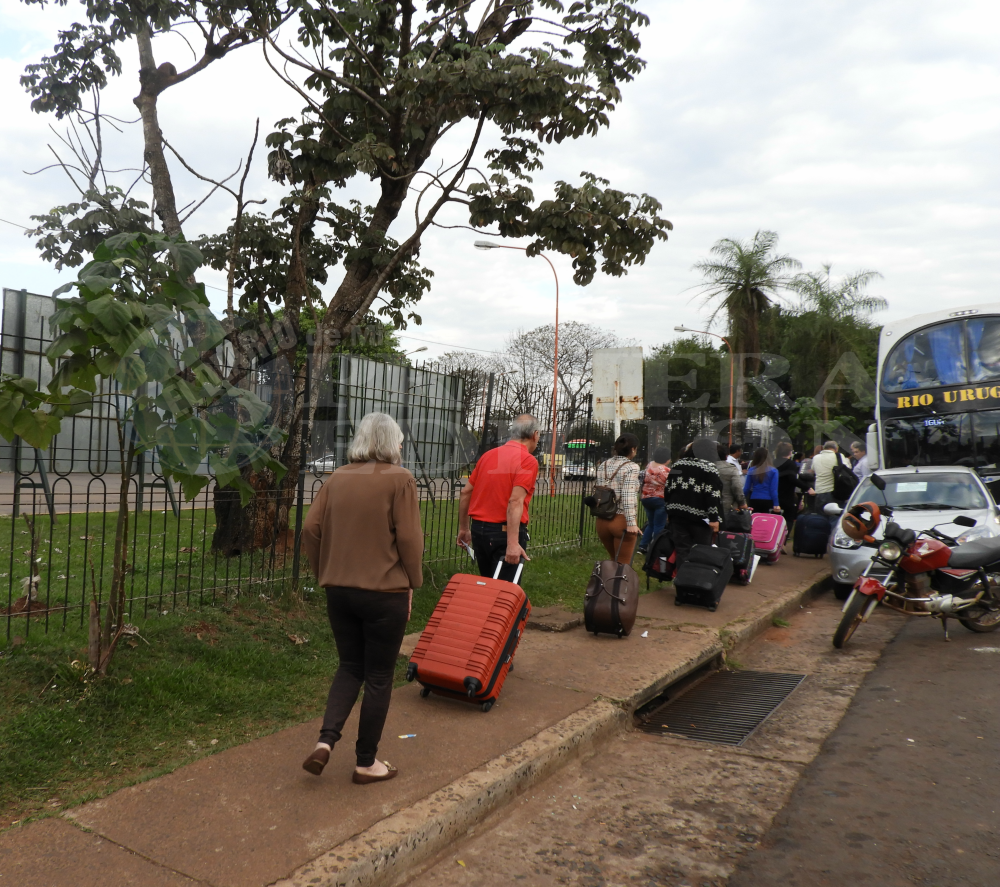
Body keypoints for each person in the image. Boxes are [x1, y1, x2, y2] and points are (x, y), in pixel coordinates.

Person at [300, 412, 423, 784]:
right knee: (379, 677)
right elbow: (409, 540)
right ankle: (366, 762)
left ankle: (325, 742)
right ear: (388, 442)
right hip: (385, 595)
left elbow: (310, 528)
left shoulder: (337, 477)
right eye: (399, 439)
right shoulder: (400, 480)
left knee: (349, 666)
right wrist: (413, 582)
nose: (402, 446)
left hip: (339, 592)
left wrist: (325, 570)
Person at [457, 414, 540, 579]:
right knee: (504, 593)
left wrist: (464, 528)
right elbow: (515, 500)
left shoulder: (488, 456)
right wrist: (513, 544)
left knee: (488, 586)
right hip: (502, 534)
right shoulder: (528, 460)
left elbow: (465, 492)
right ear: (534, 434)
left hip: (479, 531)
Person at [664, 437, 723, 568]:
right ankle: (697, 581)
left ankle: (682, 583)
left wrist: (668, 511)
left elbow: (668, 489)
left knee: (682, 550)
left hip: (677, 515)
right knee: (701, 551)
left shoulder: (677, 465)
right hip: (700, 518)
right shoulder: (709, 467)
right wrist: (714, 518)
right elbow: (712, 494)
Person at [592, 433, 642, 563]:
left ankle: (607, 583)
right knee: (623, 567)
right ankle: (618, 584)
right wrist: (631, 523)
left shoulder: (604, 464)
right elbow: (628, 495)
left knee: (613, 561)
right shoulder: (631, 467)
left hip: (602, 520)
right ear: (633, 449)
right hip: (620, 520)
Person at [638, 447, 671, 555]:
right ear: (667, 459)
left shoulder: (649, 466)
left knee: (651, 524)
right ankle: (656, 548)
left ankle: (642, 546)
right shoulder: (666, 471)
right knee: (659, 525)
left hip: (646, 498)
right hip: (659, 499)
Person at [775, 441, 810, 534]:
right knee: (789, 518)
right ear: (790, 452)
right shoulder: (791, 464)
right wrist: (807, 488)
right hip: (787, 494)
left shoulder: (773, 462)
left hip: (774, 494)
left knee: (775, 518)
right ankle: (784, 538)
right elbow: (792, 479)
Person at [810, 440, 851, 517]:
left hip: (820, 492)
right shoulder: (838, 456)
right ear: (836, 449)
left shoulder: (816, 458)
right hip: (834, 492)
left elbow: (813, 469)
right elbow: (847, 469)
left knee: (821, 518)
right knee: (834, 518)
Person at [743, 447, 782, 514]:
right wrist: (776, 504)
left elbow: (746, 488)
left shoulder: (751, 470)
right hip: (768, 500)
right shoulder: (774, 471)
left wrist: (741, 501)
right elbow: (773, 489)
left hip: (754, 499)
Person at [715, 442, 748, 515]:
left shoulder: (706, 468)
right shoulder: (731, 468)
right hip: (727, 506)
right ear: (726, 456)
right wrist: (742, 502)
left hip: (709, 505)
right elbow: (736, 487)